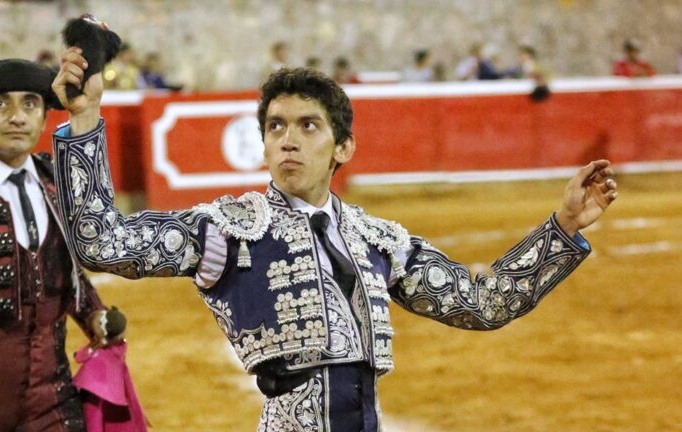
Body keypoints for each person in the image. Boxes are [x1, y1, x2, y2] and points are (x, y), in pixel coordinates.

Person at [52, 48, 618, 431]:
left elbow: (481, 303)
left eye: (308, 126)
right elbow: (104, 243)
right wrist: (85, 119)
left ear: (342, 147)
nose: (288, 140)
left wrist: (563, 227)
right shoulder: (227, 228)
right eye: (276, 127)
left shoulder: (378, 239)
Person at [0, 58, 122, 432]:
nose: (17, 117)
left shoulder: (56, 185)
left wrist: (94, 315)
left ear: (44, 118)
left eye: (30, 104)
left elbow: (65, 274)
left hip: (53, 402)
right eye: (0, 104)